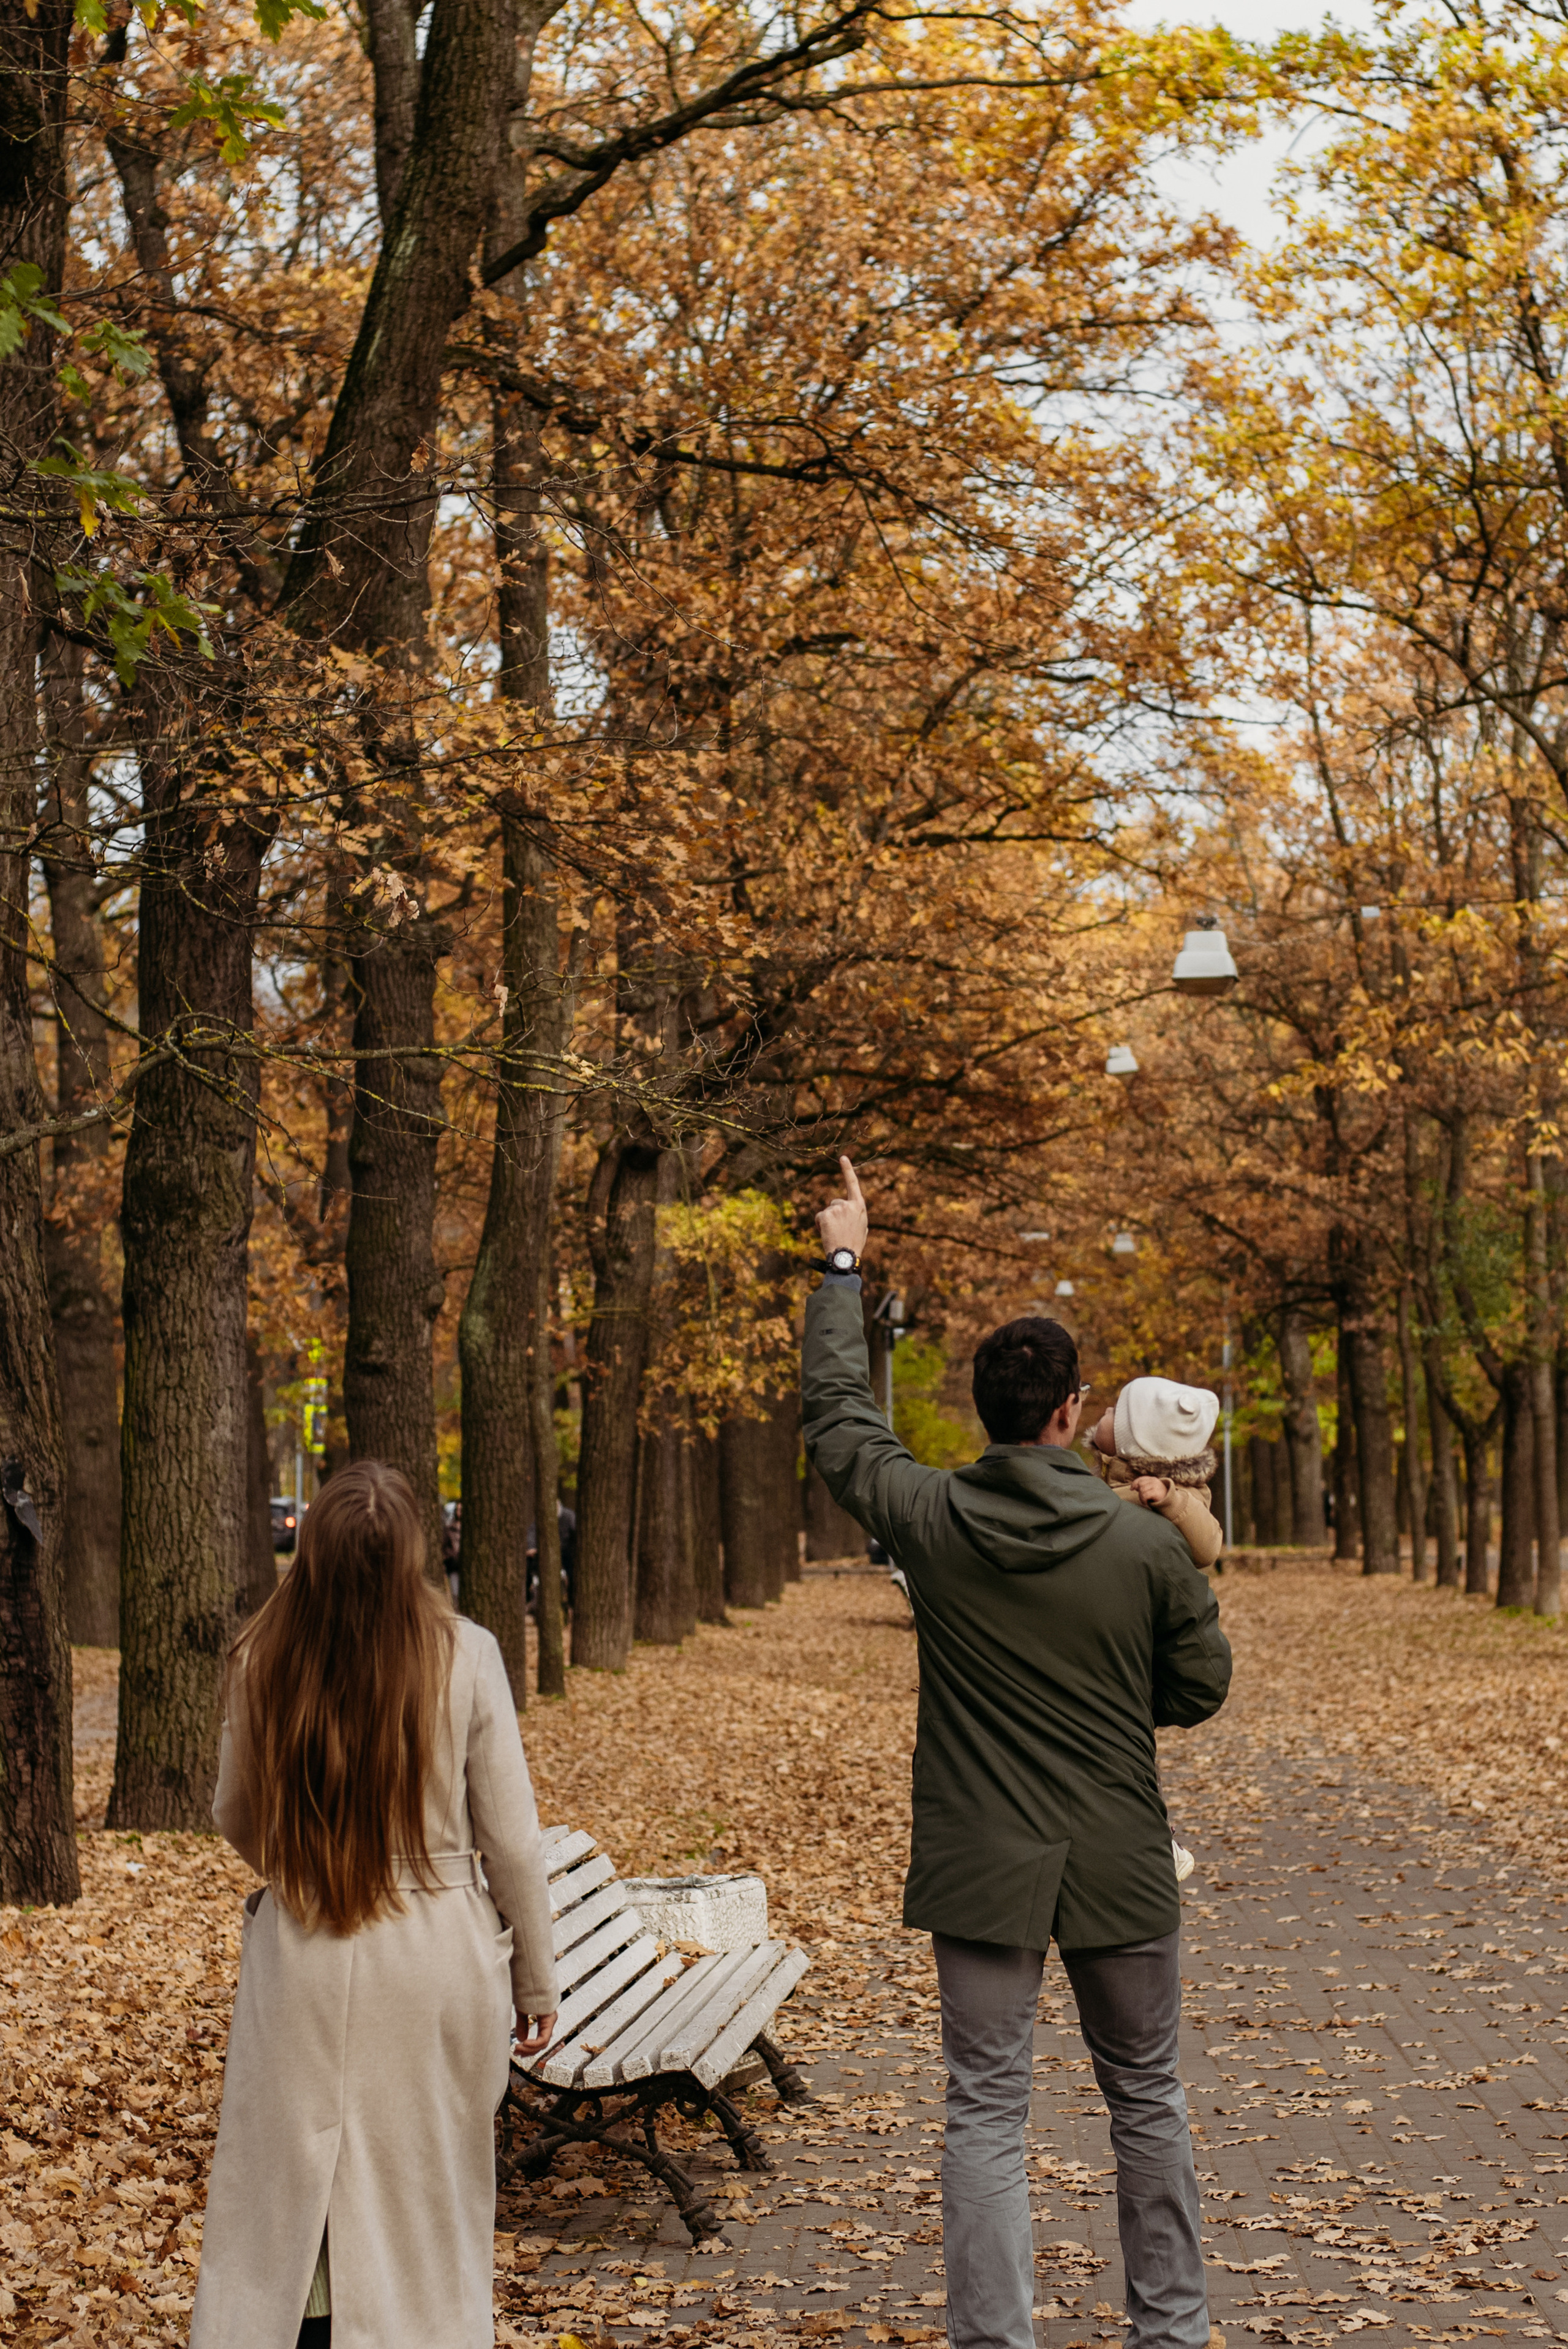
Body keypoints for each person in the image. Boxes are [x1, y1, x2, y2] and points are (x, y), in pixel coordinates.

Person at [804, 1159, 1231, 2349]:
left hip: (982, 1865)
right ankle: (1172, 2332)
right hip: (1119, 1865)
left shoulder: (930, 1520)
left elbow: (840, 1420)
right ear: (1066, 1412)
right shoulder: (1142, 1546)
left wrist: (841, 1263)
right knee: (1144, 2099)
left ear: (991, 1413)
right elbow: (1199, 1688)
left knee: (983, 2112)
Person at [190, 1460, 559, 2349]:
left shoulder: (263, 1656)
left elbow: (234, 1812)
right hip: (433, 1958)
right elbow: (510, 1839)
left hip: (305, 1952)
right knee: (424, 2187)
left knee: (290, 2186)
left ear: (308, 1550)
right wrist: (536, 1978)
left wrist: (306, 1868)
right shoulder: (465, 1654)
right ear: (410, 1557)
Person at [1087, 1374, 1227, 1885]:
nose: (1099, 1413)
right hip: (1115, 1635)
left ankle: (1158, 1839)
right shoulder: (1108, 1478)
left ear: (1134, 1441)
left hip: (1139, 1644)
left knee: (1132, 1757)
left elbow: (1208, 1546)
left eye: (1112, 1412)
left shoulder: (1171, 1495)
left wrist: (1170, 1498)